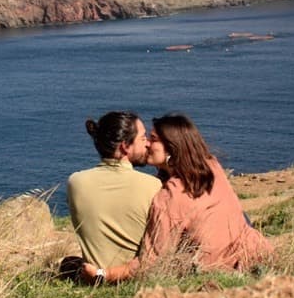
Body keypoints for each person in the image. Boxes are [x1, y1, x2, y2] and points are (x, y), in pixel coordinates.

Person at [82, 114, 272, 283]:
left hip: (219, 271)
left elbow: (150, 263)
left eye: (153, 139)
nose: (147, 143)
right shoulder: (210, 165)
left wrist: (104, 273)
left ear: (171, 149)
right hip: (255, 252)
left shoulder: (169, 199)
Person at [66, 111, 161, 275]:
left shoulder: (76, 182)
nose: (148, 144)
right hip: (135, 276)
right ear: (125, 146)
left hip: (91, 276)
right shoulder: (152, 186)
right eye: (143, 138)